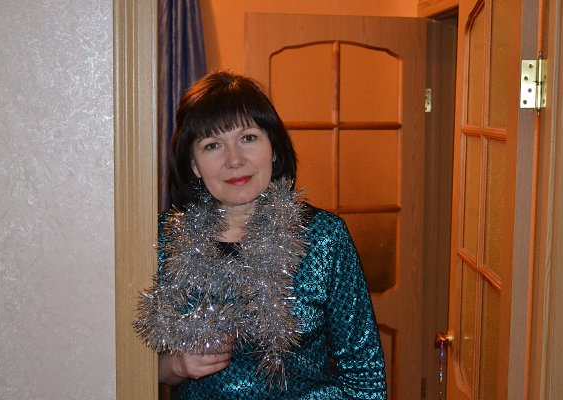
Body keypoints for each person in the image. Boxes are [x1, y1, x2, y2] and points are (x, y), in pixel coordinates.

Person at [138, 71, 387, 399]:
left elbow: (364, 370)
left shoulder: (324, 237)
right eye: (212, 145)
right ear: (194, 165)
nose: (235, 160)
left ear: (273, 148)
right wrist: (174, 367)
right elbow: (121, 361)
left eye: (248, 138)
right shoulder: (160, 240)